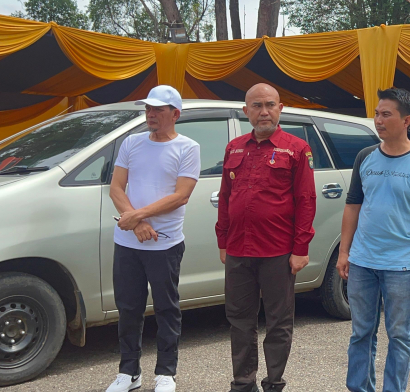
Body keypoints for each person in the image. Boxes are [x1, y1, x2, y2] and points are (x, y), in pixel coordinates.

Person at [337, 88, 410, 392]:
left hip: (401, 266)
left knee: (399, 335)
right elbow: (353, 206)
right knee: (361, 333)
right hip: (362, 262)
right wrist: (344, 252)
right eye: (376, 114)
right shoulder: (365, 157)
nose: (378, 120)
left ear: (406, 120)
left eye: (386, 114)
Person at [215, 83, 317, 392]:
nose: (264, 112)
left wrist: (301, 248)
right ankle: (243, 383)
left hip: (278, 251)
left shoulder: (296, 148)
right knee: (239, 319)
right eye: (257, 106)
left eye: (270, 105)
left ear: (280, 108)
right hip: (238, 249)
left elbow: (306, 200)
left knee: (278, 322)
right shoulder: (234, 147)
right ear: (246, 111)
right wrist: (223, 241)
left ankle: (274, 383)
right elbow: (225, 197)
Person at [105, 85, 201, 392]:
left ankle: (166, 373)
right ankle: (128, 372)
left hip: (165, 243)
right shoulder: (131, 142)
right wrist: (137, 223)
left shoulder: (188, 148)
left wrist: (136, 216)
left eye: (158, 109)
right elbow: (116, 188)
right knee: (128, 308)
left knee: (166, 308)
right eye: (148, 109)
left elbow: (181, 195)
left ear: (175, 114)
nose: (151, 114)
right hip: (128, 242)